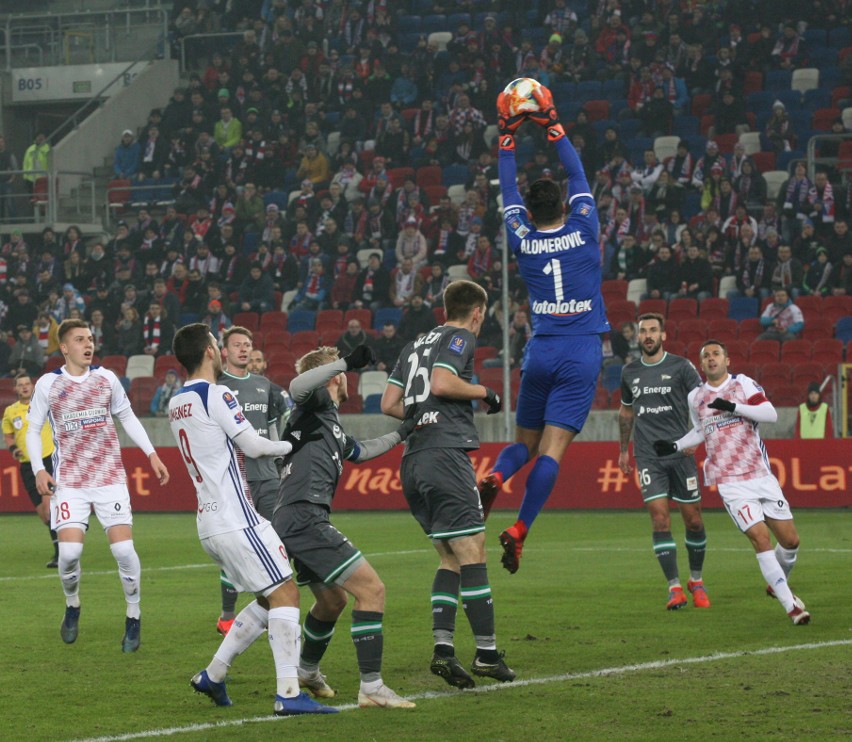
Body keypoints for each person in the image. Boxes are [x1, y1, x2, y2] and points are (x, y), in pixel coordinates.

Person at [168, 323, 335, 716]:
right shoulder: (217, 393)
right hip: (237, 516)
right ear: (211, 351)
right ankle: (289, 693)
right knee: (287, 594)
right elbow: (254, 445)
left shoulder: (176, 401)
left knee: (267, 596)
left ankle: (214, 674)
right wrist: (293, 443)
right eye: (215, 341)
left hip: (208, 521)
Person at [479, 84, 609, 573]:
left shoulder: (524, 239)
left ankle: (496, 474)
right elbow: (576, 171)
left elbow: (507, 190)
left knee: (525, 444)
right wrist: (552, 124)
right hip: (581, 351)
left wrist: (507, 137)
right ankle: (520, 527)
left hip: (541, 349)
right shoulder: (585, 226)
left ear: (530, 213)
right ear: (568, 204)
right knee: (553, 449)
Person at [380, 280, 514, 690]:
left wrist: (421, 416)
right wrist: (485, 392)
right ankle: (488, 655)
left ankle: (443, 650)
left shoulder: (414, 344)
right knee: (473, 552)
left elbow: (389, 403)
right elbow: (441, 383)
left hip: (414, 459)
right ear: (477, 312)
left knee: (449, 558)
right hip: (444, 455)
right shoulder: (460, 337)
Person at [271, 344, 416, 709]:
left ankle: (305, 671)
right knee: (372, 590)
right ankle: (371, 686)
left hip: (296, 516)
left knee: (332, 599)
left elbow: (361, 451)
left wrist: (404, 432)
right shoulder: (313, 403)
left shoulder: (328, 424)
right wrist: (346, 361)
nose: (349, 378)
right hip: (304, 516)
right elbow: (298, 383)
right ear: (335, 376)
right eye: (345, 373)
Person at [25, 319, 170, 651]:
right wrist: (38, 470)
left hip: (109, 480)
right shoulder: (49, 384)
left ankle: (133, 617)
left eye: (90, 339)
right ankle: (73, 604)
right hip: (70, 483)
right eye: (79, 339)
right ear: (64, 347)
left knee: (123, 550)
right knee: (70, 553)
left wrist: (151, 454)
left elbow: (128, 416)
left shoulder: (107, 379)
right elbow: (34, 430)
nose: (88, 344)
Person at [652, 339, 811, 625]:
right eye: (706, 356)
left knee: (790, 541)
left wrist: (733, 406)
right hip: (730, 481)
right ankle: (792, 608)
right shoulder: (696, 397)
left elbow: (770, 414)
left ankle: (777, 584)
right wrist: (676, 446)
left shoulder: (743, 384)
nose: (711, 358)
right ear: (701, 365)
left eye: (716, 354)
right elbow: (702, 430)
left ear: (728, 360)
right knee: (760, 538)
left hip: (760, 475)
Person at [617, 314, 709, 610]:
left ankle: (696, 580)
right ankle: (674, 588)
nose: (647, 335)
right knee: (659, 517)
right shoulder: (629, 372)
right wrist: (623, 450)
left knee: (693, 520)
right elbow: (626, 412)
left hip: (680, 453)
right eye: (643, 331)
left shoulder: (682, 366)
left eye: (653, 330)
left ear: (663, 335)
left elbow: (700, 402)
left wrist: (695, 438)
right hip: (648, 456)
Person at [214, 326, 291, 635]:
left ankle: (272, 605)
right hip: (234, 480)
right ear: (225, 352)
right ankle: (227, 615)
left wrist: (282, 463)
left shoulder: (265, 385)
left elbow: (272, 430)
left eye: (247, 344)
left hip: (268, 477)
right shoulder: (217, 385)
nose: (244, 350)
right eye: (237, 345)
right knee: (234, 550)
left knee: (277, 541)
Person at [3, 371, 58, 567]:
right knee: (44, 516)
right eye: (21, 384)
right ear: (15, 389)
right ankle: (65, 540)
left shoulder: (43, 405)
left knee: (48, 509)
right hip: (27, 466)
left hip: (48, 461)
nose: (25, 386)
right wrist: (13, 448)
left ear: (33, 386)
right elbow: (8, 434)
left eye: (28, 383)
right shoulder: (11, 411)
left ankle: (62, 555)